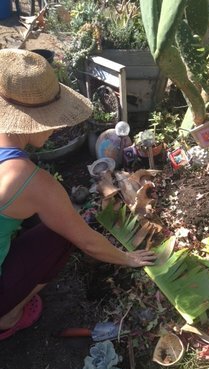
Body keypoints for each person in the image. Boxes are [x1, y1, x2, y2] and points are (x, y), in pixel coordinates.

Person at [0, 49, 156, 341]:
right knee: (61, 234)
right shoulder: (30, 181)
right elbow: (84, 240)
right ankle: (7, 317)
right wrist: (128, 258)